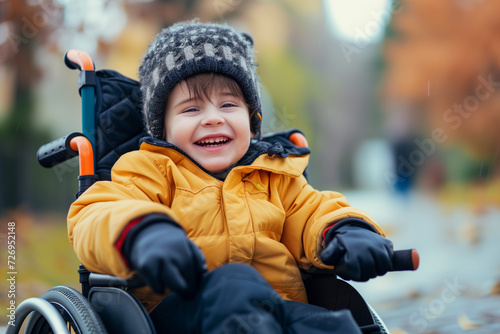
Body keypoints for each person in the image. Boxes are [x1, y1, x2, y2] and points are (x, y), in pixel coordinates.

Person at [68, 20, 395, 334]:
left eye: (228, 104)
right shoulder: (150, 169)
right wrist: (144, 235)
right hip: (180, 314)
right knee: (235, 284)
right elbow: (97, 212)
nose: (213, 119)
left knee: (330, 322)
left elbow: (313, 211)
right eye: (191, 109)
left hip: (276, 312)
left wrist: (346, 231)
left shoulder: (275, 174)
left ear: (252, 121)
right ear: (163, 129)